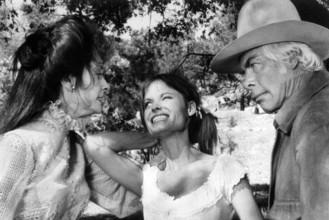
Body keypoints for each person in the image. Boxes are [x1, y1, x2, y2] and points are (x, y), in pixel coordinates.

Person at [0, 15, 157, 219]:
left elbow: (139, 204)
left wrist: (160, 137)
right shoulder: (19, 144)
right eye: (98, 74)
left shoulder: (76, 149)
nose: (106, 84)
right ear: (68, 80)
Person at [82, 73, 263, 220]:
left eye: (166, 98)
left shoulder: (224, 168)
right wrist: (152, 136)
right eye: (148, 104)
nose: (155, 107)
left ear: (190, 108)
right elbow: (94, 145)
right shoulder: (147, 181)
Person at [210, 0, 329, 219]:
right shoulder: (298, 118)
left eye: (254, 64)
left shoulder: (316, 121)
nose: (246, 82)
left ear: (292, 57)